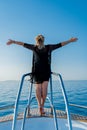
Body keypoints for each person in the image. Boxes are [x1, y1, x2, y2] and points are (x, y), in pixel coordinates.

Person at [7, 35, 78, 115]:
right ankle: (42, 106)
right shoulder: (49, 47)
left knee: (38, 88)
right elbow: (60, 44)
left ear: (36, 41)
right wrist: (70, 40)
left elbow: (23, 44)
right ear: (43, 40)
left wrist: (13, 41)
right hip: (46, 71)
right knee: (44, 89)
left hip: (36, 71)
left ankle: (39, 105)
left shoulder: (34, 47)